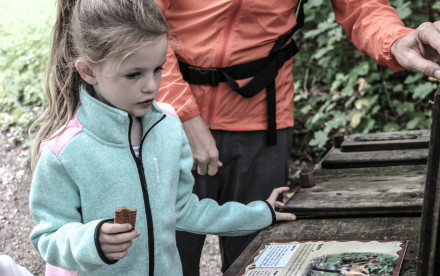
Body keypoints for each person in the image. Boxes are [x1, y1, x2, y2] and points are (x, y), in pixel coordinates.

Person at [154, 0, 440, 274]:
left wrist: (396, 40)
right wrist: (183, 116)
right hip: (164, 111)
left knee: (256, 254)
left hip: (262, 120)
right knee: (168, 252)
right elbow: (142, 20)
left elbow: (363, 6)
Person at [28, 0, 296, 275]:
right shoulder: (63, 151)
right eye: (134, 74)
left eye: (158, 69)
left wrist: (260, 212)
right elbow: (47, 236)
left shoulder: (168, 125)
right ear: (88, 71)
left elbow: (184, 209)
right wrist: (91, 241)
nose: (151, 86)